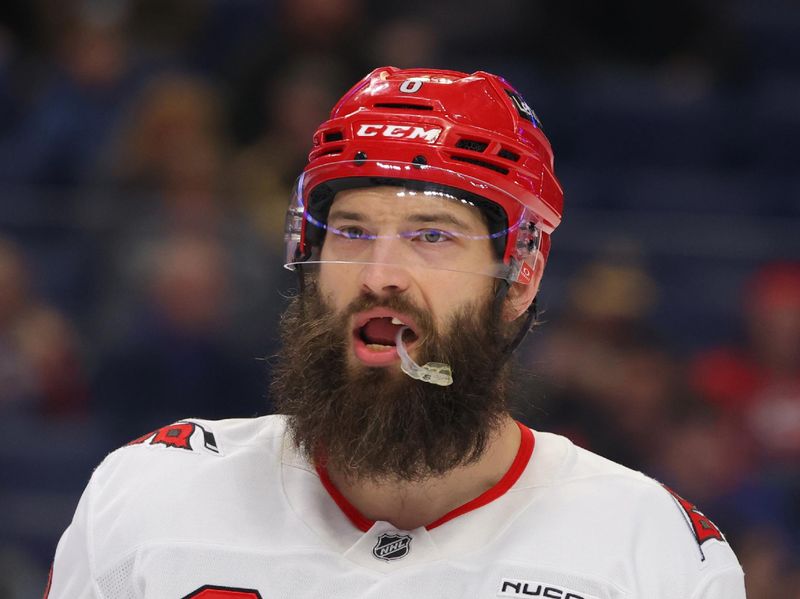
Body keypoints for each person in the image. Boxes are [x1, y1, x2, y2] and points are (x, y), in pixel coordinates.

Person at [46, 67, 745, 598]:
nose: (381, 275)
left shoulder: (653, 552)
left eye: (431, 236)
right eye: (351, 232)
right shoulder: (147, 494)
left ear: (523, 274)